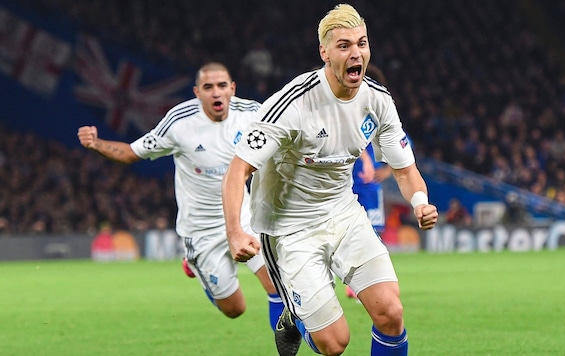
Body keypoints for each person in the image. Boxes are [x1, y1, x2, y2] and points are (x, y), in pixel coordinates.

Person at [221, 4, 438, 356]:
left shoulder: (378, 101)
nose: (356, 53)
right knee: (334, 344)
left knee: (391, 314)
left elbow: (404, 169)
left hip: (344, 214)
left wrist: (420, 202)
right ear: (324, 52)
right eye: (344, 45)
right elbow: (237, 171)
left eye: (362, 43)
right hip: (289, 229)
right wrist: (235, 231)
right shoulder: (291, 105)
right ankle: (293, 314)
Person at [77, 62, 284, 330]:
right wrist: (96, 144)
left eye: (222, 86)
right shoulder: (180, 122)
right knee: (235, 309)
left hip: (243, 218)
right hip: (200, 231)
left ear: (232, 89)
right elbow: (131, 153)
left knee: (277, 287)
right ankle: (195, 266)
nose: (216, 93)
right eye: (208, 87)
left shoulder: (253, 113)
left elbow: (285, 139)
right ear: (197, 92)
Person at [346, 64, 393, 300]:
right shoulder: (345, 113)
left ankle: (371, 281)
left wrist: (385, 171)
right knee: (350, 233)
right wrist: (365, 159)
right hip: (346, 186)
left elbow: (402, 151)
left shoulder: (382, 116)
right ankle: (354, 280)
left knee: (374, 234)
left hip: (371, 188)